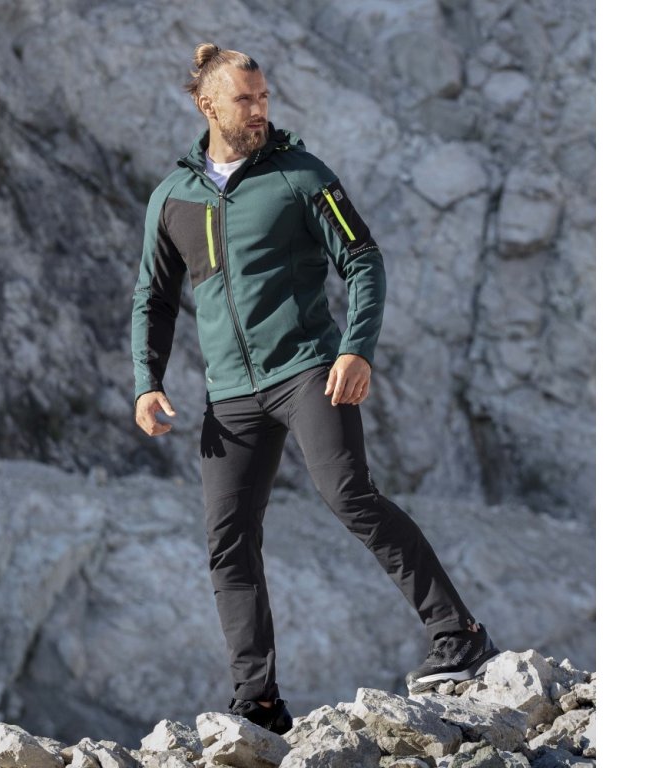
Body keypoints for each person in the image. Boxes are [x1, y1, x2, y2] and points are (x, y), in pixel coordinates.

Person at [131, 43, 499, 735]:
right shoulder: (172, 198)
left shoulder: (302, 175)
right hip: (230, 395)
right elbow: (153, 296)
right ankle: (259, 701)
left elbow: (362, 258)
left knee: (349, 495)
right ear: (206, 104)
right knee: (228, 540)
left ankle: (458, 633)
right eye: (245, 99)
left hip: (306, 369)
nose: (259, 110)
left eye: (264, 97)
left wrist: (357, 347)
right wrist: (146, 382)